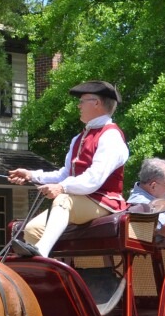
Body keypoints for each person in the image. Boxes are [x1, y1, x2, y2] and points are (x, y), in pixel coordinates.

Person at [7, 80, 127, 258]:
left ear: (96, 103)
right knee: (32, 229)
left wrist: (62, 188)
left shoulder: (111, 136)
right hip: (78, 200)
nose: (79, 105)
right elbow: (64, 174)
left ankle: (42, 251)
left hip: (103, 202)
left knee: (63, 200)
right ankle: (45, 273)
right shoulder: (78, 138)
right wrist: (31, 175)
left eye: (82, 101)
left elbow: (93, 179)